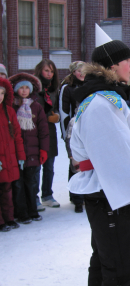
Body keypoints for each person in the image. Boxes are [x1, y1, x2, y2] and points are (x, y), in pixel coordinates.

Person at [68, 34, 130, 285]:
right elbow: (116, 153)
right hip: (107, 193)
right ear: (113, 65)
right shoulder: (100, 103)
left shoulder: (107, 98)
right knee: (122, 268)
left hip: (111, 192)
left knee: (107, 260)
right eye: (128, 59)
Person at [10, 73, 49, 224]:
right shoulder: (12, 106)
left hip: (33, 154)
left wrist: (43, 150)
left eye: (27, 87)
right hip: (16, 154)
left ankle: (33, 210)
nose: (24, 91)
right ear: (16, 90)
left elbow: (43, 131)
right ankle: (22, 213)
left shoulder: (36, 107)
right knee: (18, 185)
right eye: (21, 88)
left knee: (32, 184)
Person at [33, 59, 61, 209]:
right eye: (46, 71)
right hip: (35, 132)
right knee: (36, 165)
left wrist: (56, 115)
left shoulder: (54, 89)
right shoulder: (33, 88)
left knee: (49, 166)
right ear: (39, 71)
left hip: (50, 131)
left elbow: (56, 108)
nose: (49, 74)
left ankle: (47, 195)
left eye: (51, 71)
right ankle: (34, 196)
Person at [0, 78, 25, 232]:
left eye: (2, 93)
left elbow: (17, 135)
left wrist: (20, 156)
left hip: (9, 158)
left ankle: (9, 218)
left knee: (7, 191)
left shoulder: (9, 111)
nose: (0, 96)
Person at [59, 61, 86, 139]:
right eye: (79, 71)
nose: (82, 73)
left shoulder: (88, 86)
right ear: (73, 72)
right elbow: (64, 112)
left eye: (84, 71)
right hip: (72, 130)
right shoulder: (67, 88)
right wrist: (66, 134)